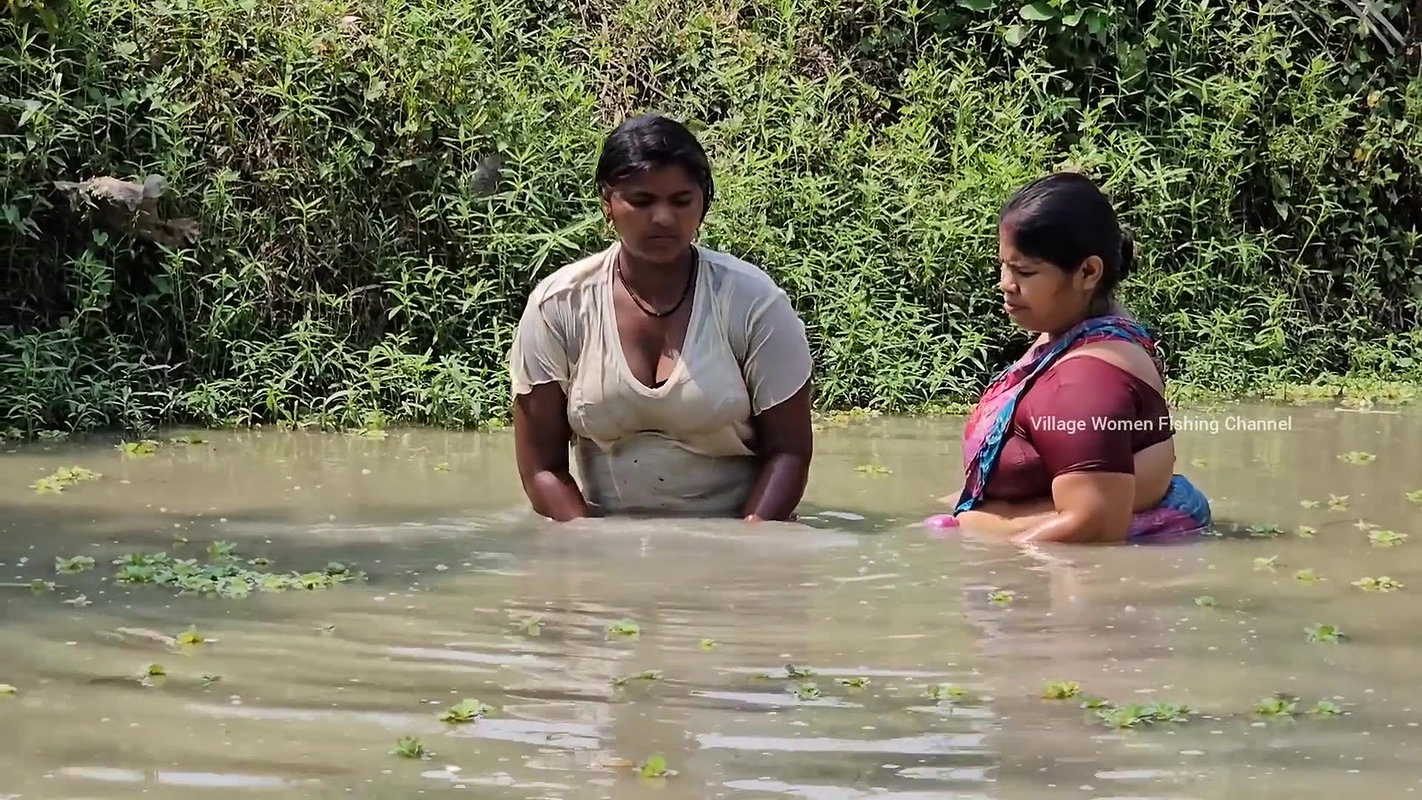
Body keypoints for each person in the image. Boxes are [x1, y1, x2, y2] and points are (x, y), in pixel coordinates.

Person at [508, 114, 814, 522]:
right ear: (607, 203)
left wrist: (748, 543)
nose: (664, 218)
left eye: (681, 201)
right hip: (603, 535)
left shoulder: (753, 301)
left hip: (736, 529)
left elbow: (790, 452)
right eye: (642, 201)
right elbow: (542, 469)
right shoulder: (559, 305)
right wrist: (585, 544)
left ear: (703, 204)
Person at [924, 171, 1211, 544]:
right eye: (1004, 265)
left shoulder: (1085, 380)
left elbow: (1094, 526)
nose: (1005, 283)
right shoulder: (1079, 329)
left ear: (1088, 272)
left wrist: (992, 552)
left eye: (1024, 271)